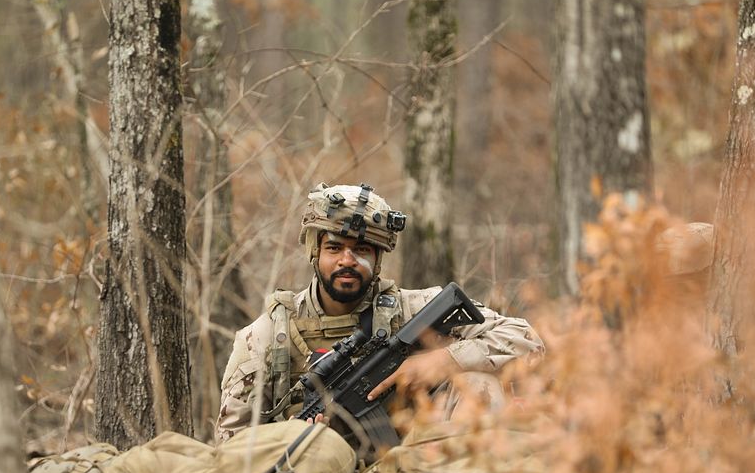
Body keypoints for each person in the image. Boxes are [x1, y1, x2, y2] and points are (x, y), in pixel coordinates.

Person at [215, 183, 545, 443]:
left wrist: (441, 361)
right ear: (314, 251)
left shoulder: (415, 309)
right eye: (334, 248)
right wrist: (286, 441)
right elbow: (229, 450)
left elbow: (528, 340)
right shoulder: (265, 338)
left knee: (476, 382)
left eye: (361, 250)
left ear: (378, 259)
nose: (347, 260)